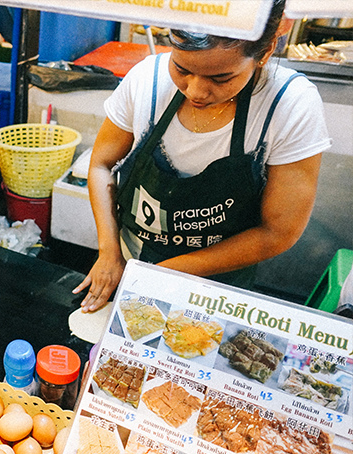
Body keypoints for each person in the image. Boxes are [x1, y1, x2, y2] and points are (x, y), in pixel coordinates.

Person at [74, 0, 331, 313]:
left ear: (263, 54)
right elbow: (101, 164)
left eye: (221, 78)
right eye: (182, 69)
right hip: (130, 264)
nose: (195, 91)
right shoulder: (147, 81)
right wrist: (109, 251)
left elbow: (277, 232)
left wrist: (164, 274)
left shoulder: (289, 106)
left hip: (217, 286)